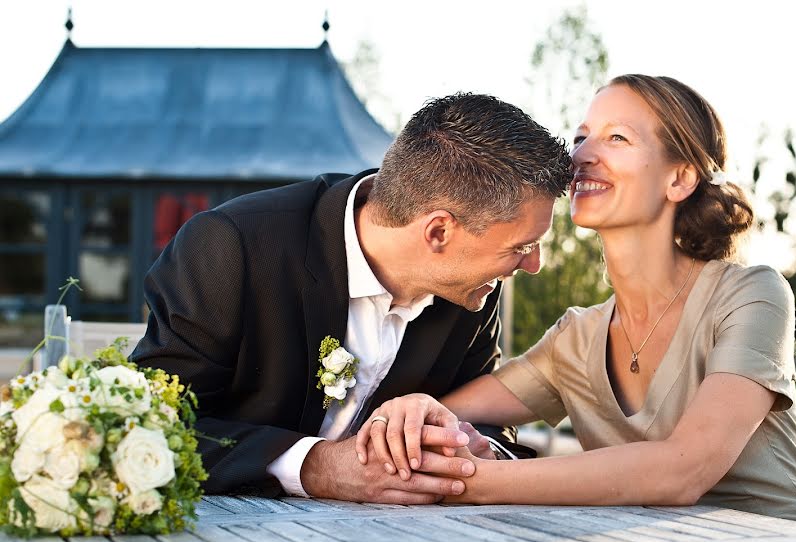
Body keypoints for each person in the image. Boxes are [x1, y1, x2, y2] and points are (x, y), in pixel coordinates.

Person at [358, 74, 796, 529]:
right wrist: (411, 410)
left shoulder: (749, 295)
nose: (580, 156)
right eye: (580, 138)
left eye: (617, 138)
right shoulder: (575, 339)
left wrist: (472, 483)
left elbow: (684, 470)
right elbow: (443, 415)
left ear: (679, 179)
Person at [131, 93, 571, 502]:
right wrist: (316, 467)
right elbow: (152, 423)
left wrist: (477, 448)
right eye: (521, 246)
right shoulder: (232, 248)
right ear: (438, 231)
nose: (531, 265)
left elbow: (488, 420)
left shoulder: (471, 286)